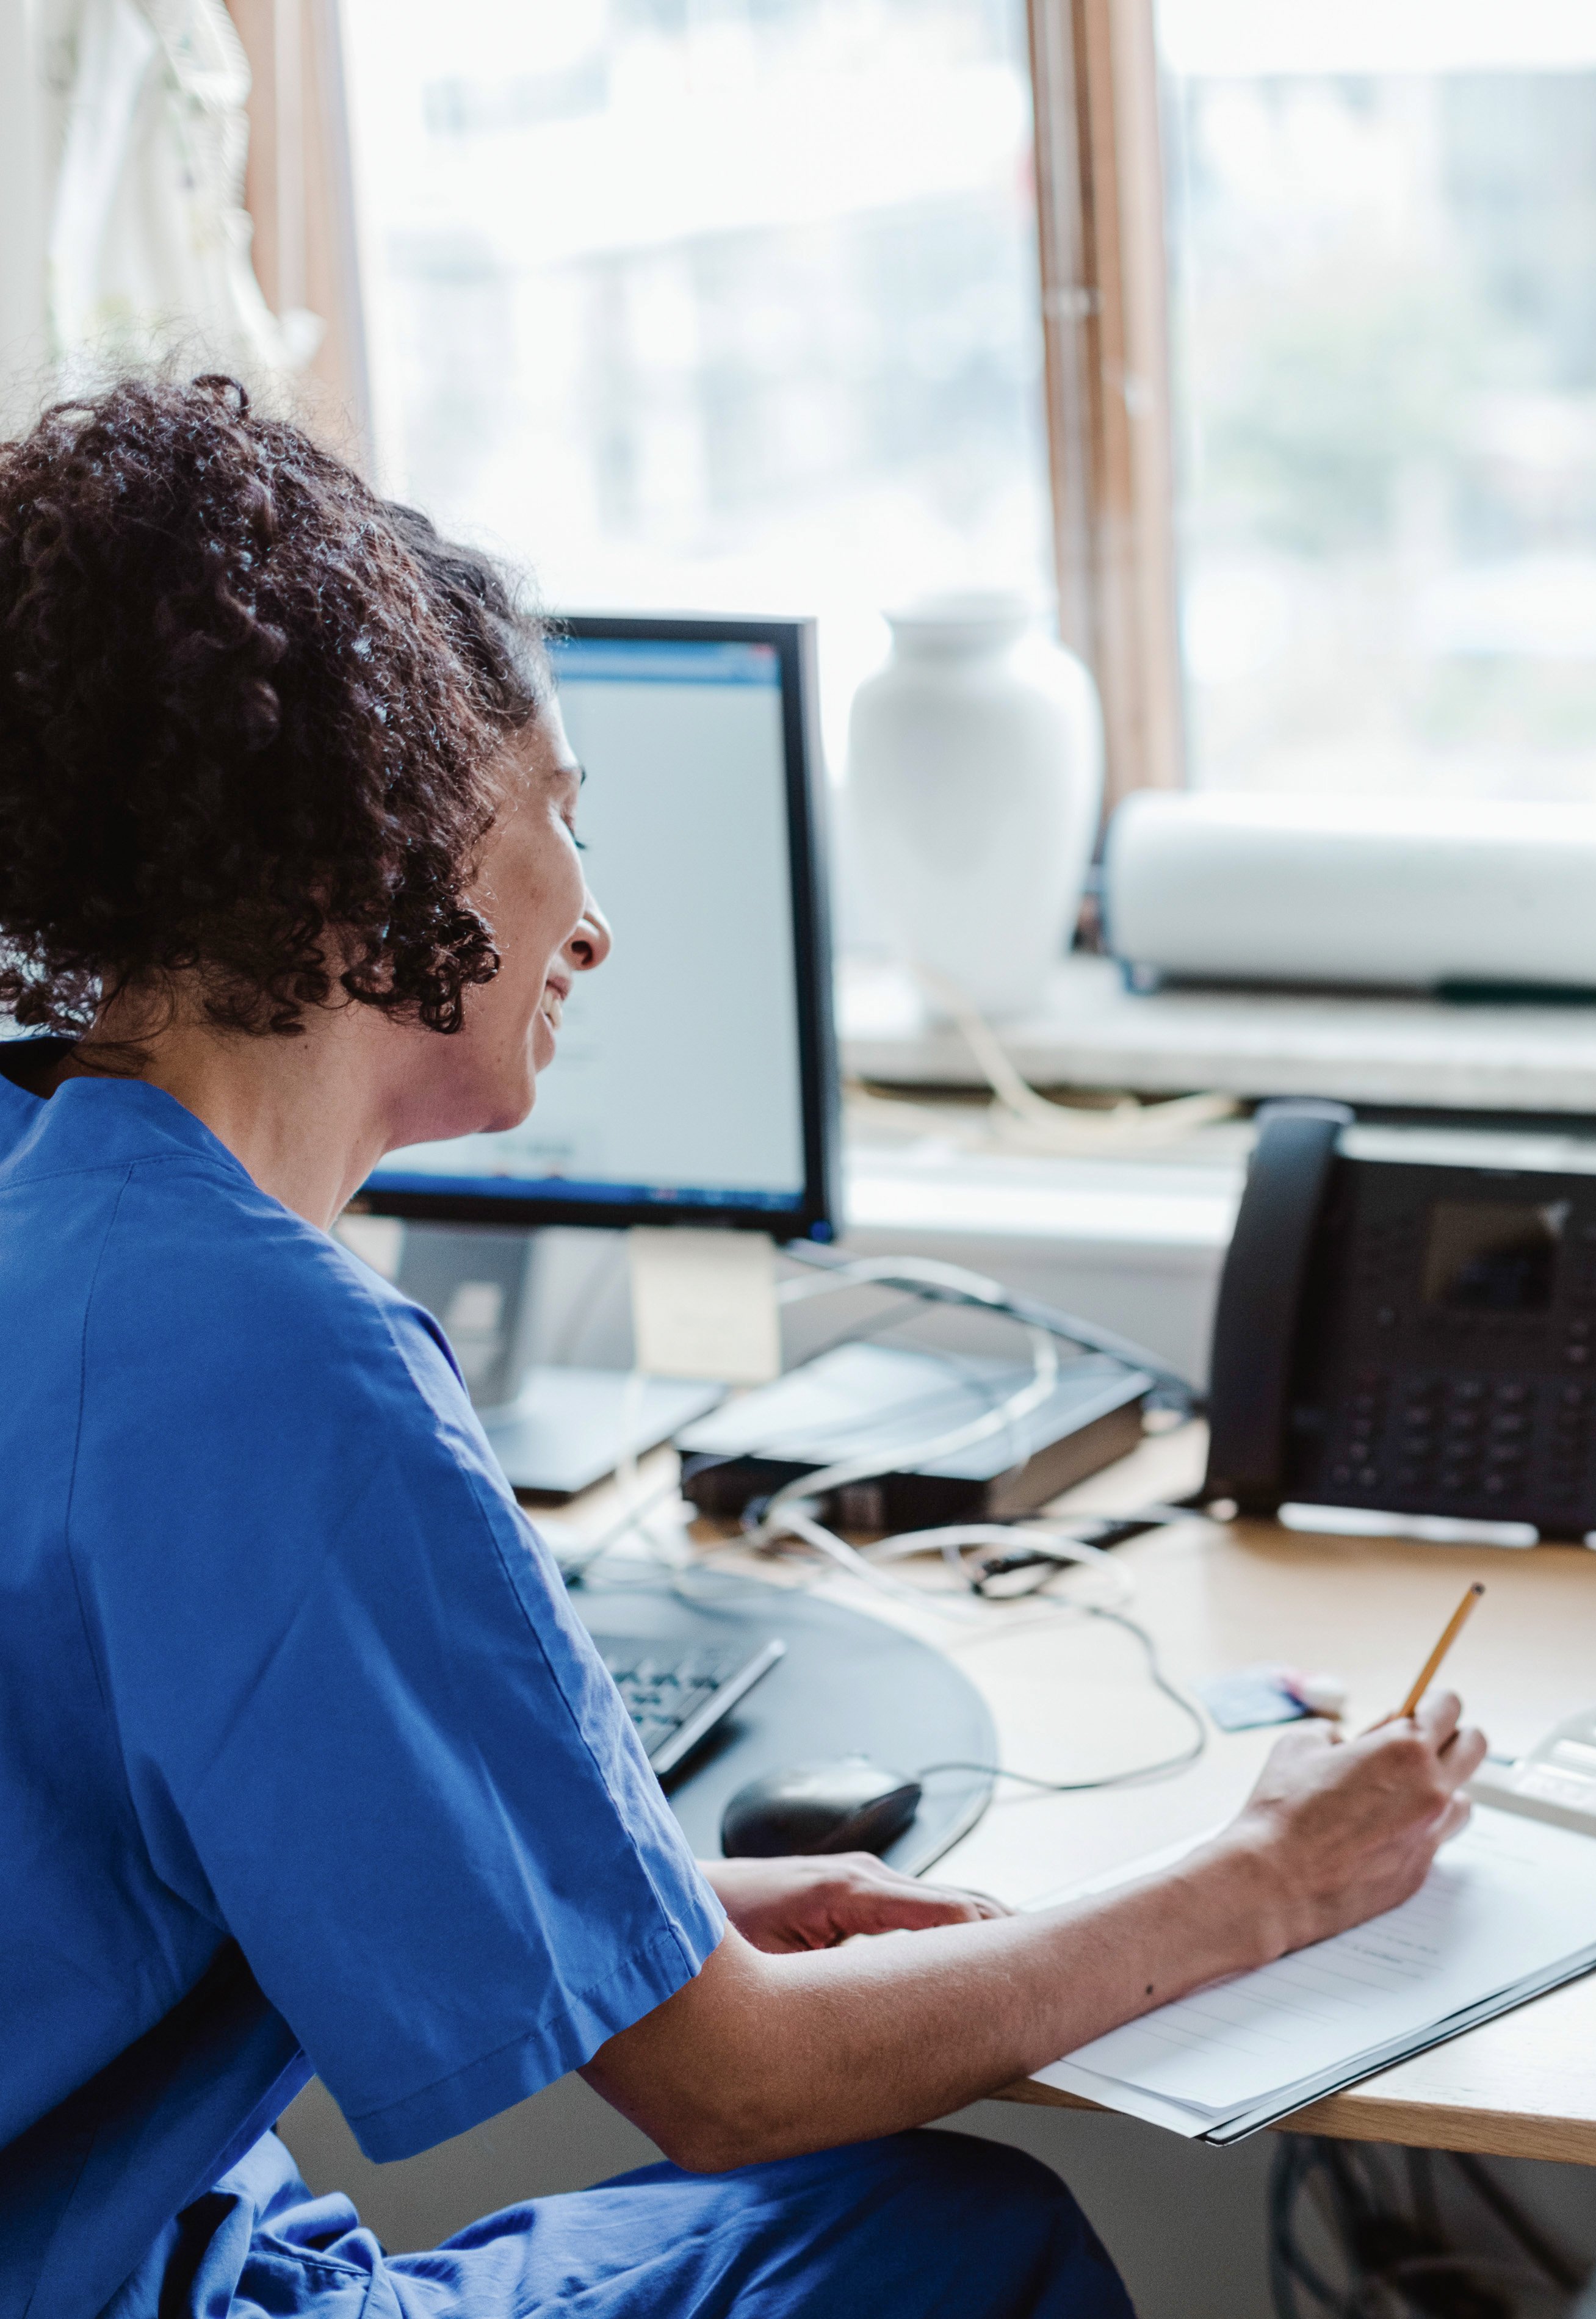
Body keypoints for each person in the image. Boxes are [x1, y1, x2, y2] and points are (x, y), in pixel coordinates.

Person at [0, 375, 1490, 2319]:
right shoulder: (286, 1366)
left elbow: (134, 1850)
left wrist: (651, 1910)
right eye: (557, 815)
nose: (591, 922)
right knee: (955, 2235)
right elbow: (731, 2091)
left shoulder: (53, 1190)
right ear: (385, 843)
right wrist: (1264, 1880)